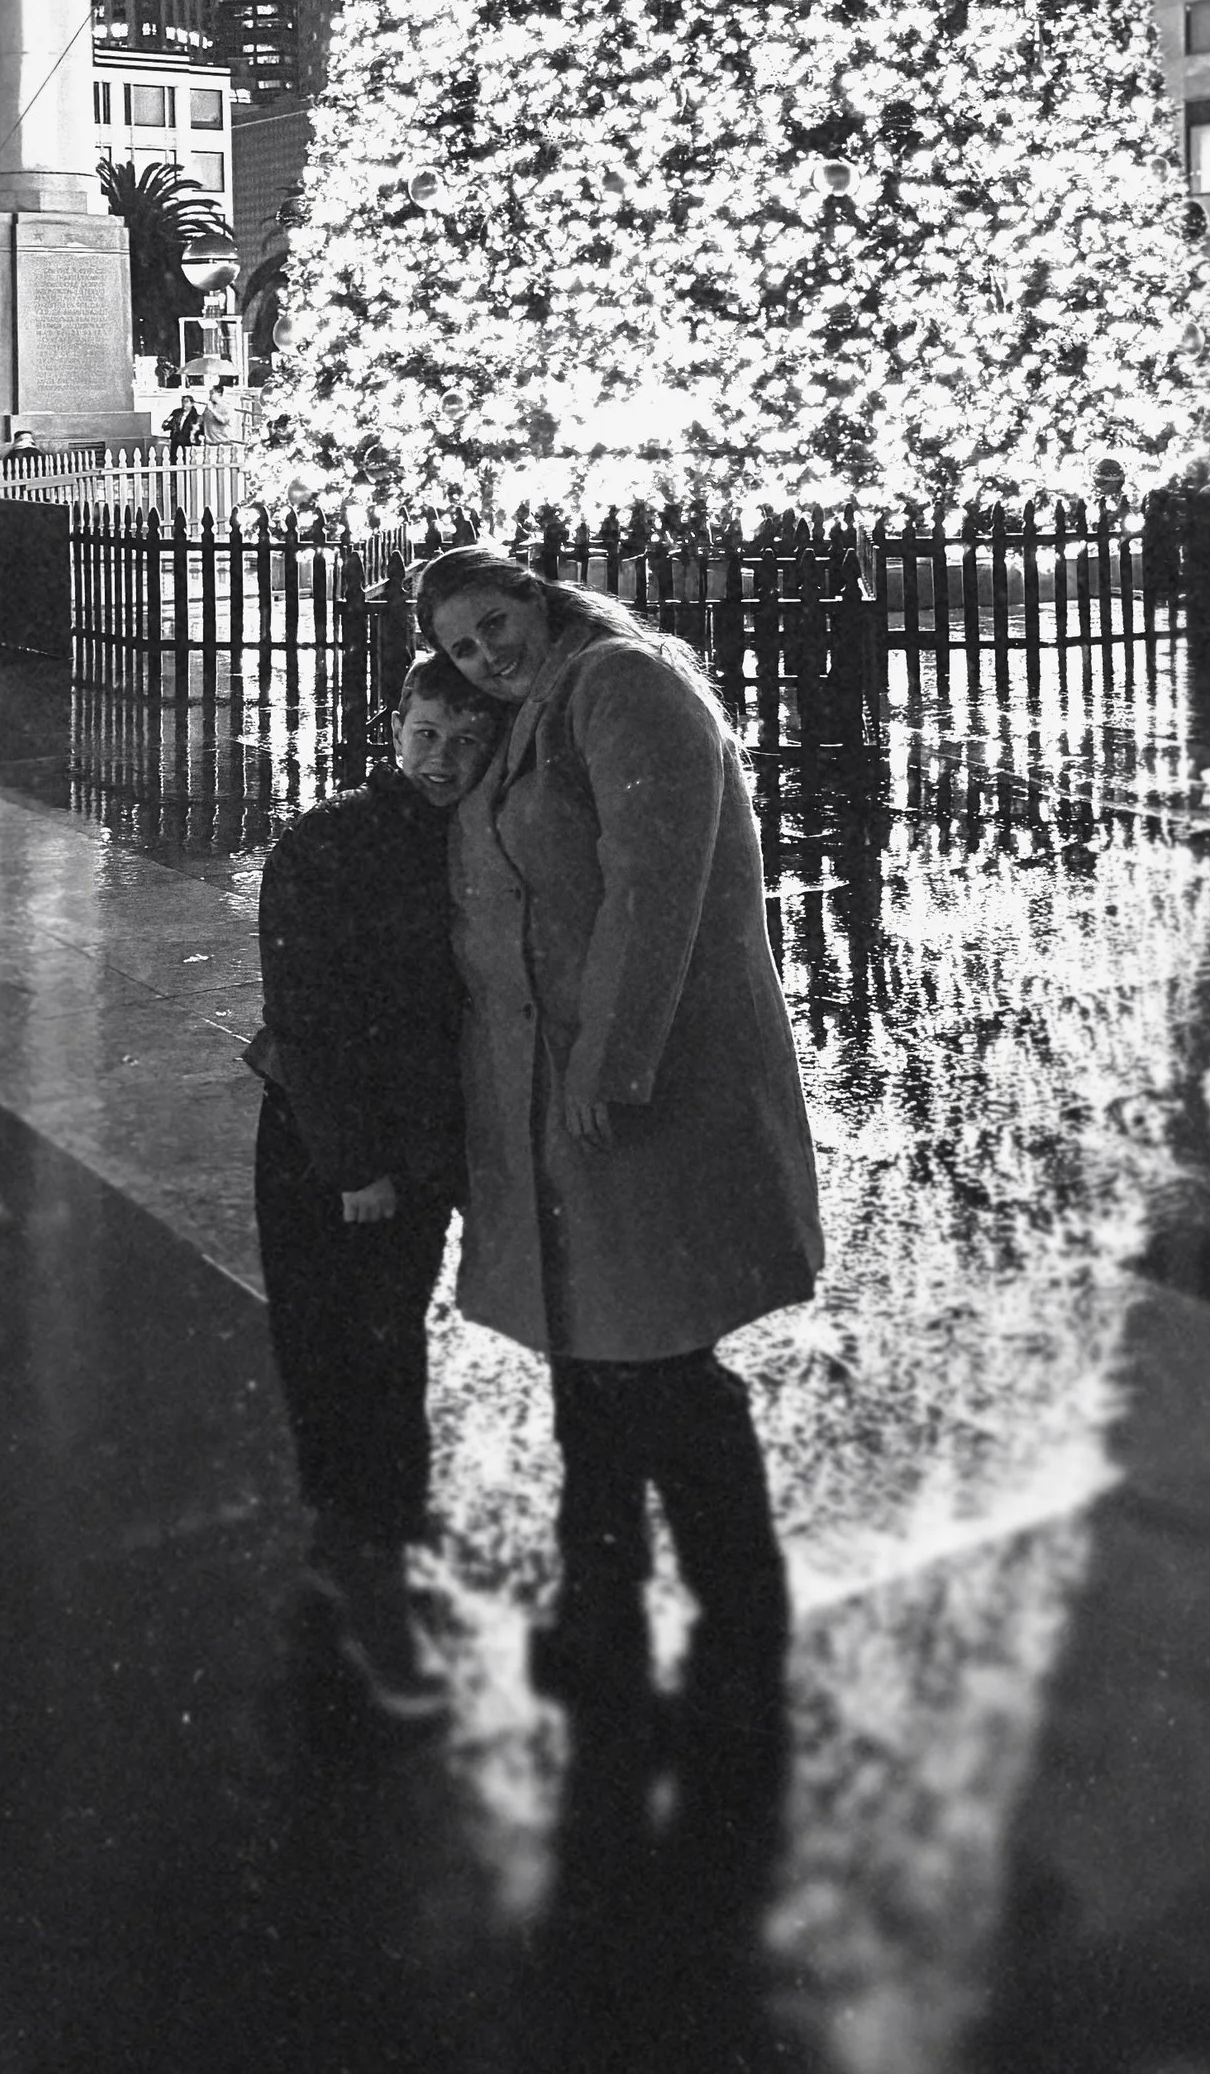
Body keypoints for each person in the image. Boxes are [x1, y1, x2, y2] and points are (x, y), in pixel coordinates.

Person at [418, 545, 823, 1759]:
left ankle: (736, 1615)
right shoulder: (538, 706)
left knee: (655, 1362)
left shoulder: (618, 684)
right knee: (594, 1359)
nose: (483, 655)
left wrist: (614, 1058)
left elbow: (659, 884)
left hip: (631, 1095)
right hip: (557, 1092)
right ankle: (603, 1609)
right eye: (461, 647)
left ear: (538, 598)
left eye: (494, 624)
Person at [245, 650, 502, 1716]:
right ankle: (370, 1577)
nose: (439, 760)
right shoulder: (327, 843)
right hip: (330, 1156)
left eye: (462, 740)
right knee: (346, 1351)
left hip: (417, 1154)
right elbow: (305, 1014)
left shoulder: (480, 841)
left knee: (382, 1348)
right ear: (392, 727)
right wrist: (354, 1165)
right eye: (423, 736)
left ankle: (356, 1541)